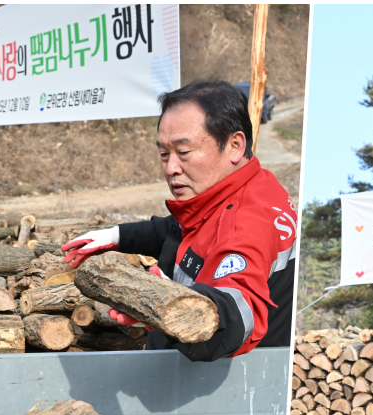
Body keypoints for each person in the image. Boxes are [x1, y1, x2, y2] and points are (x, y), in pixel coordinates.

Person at [61, 80, 297, 362]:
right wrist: (117, 236)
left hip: (223, 389)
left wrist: (172, 307)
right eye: (163, 154)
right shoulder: (244, 188)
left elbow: (236, 313)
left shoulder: (246, 223)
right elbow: (178, 230)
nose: (171, 168)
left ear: (235, 145)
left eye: (183, 153)